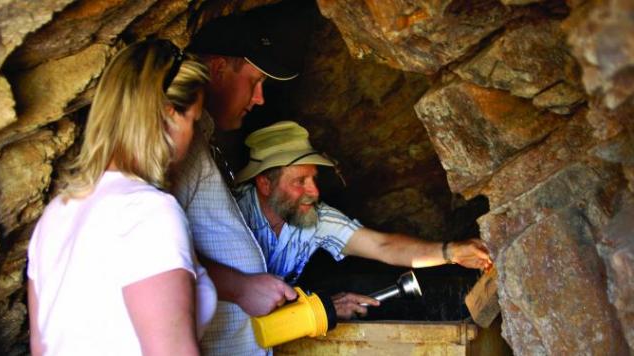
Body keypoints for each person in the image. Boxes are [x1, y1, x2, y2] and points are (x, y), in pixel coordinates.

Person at [27, 40, 216, 356]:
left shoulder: (57, 213)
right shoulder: (149, 212)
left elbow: (40, 347)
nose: (193, 135)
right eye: (192, 121)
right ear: (169, 116)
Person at [235, 121, 494, 319]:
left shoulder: (314, 216)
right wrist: (320, 308)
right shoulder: (231, 215)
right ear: (265, 184)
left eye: (313, 179)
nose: (314, 191)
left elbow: (382, 246)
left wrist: (453, 252)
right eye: (300, 181)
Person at [171, 18, 299, 355]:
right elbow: (156, 256)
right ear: (216, 69)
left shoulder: (202, 143)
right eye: (256, 82)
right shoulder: (178, 153)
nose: (260, 99)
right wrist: (241, 288)